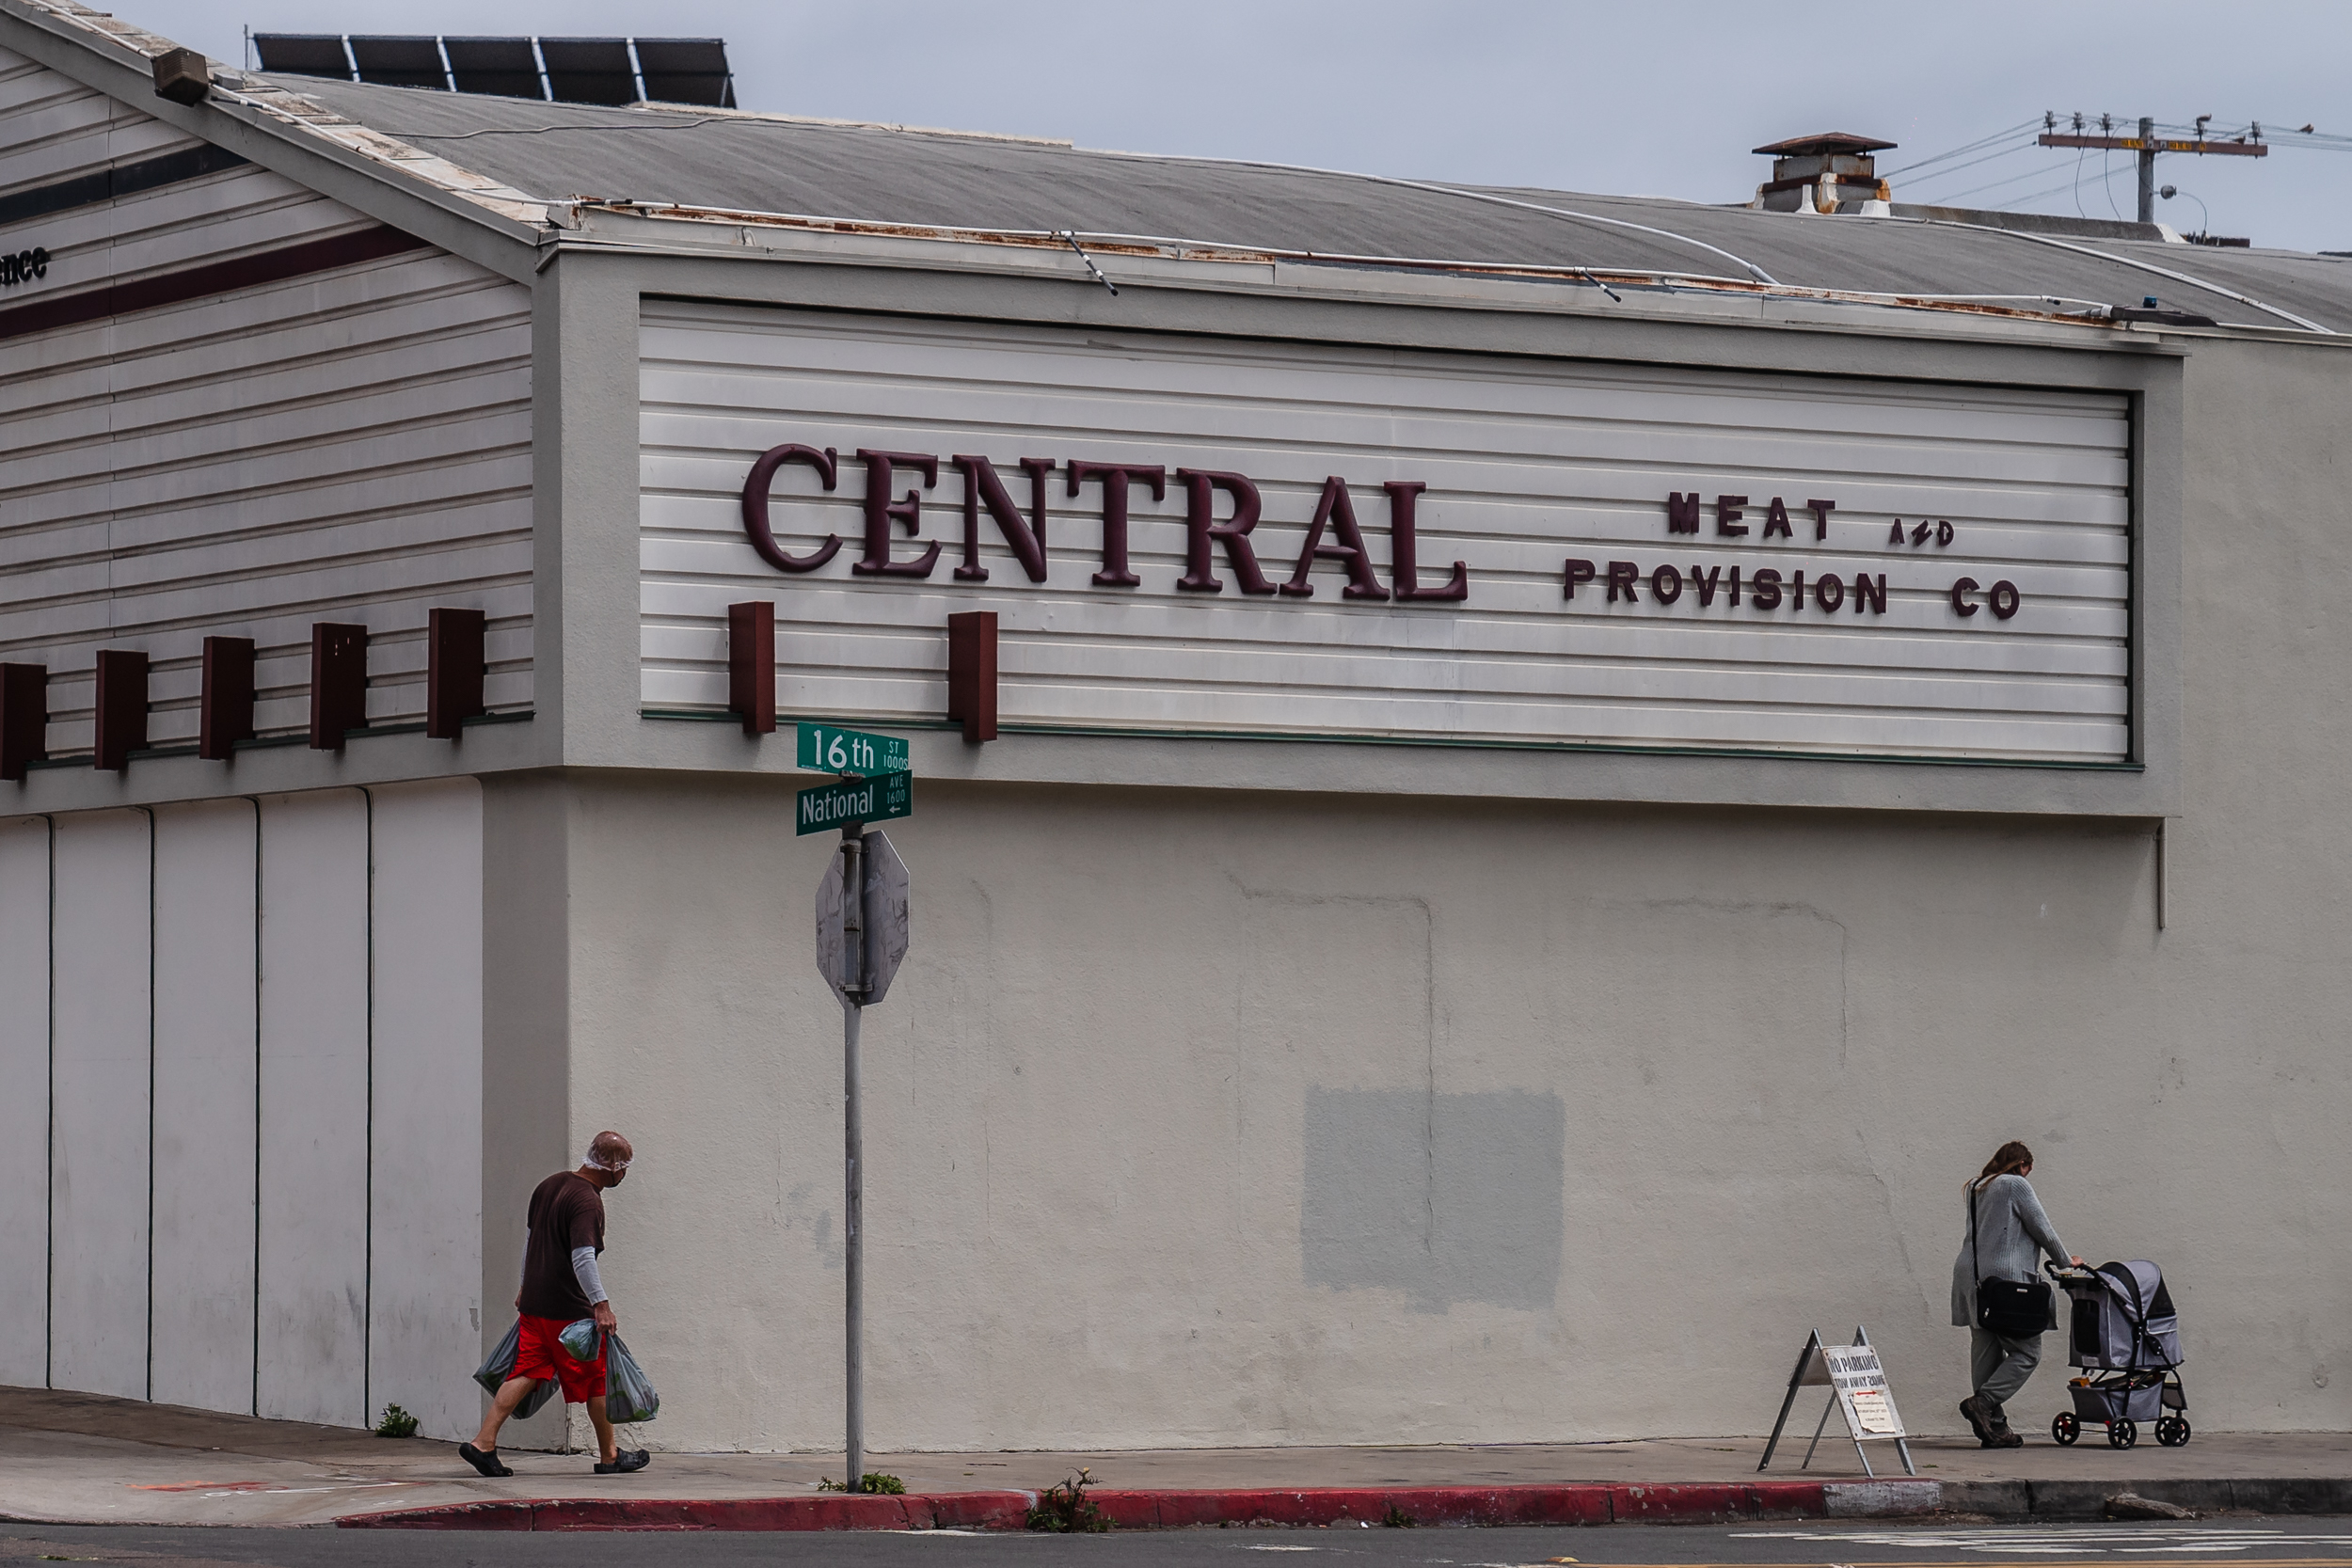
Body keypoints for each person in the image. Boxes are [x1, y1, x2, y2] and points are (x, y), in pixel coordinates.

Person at [460, 1131, 650, 1477]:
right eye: (624, 1169)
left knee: (527, 1370)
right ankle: (610, 1456)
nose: (624, 1175)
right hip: (569, 1313)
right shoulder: (588, 1201)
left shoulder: (549, 1185)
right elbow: (583, 1258)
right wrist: (601, 1305)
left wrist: (524, 1285)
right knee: (597, 1378)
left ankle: (483, 1443)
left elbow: (530, 1241)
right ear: (611, 1166)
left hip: (536, 1306)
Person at [1951, 1140, 2082, 1448]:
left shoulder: (1976, 1185)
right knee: (2027, 1352)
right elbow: (2043, 1229)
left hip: (1971, 1277)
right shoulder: (2014, 1185)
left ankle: (1995, 1428)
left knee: (1985, 1352)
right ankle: (1983, 1404)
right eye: (2028, 1170)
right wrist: (2066, 1262)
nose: (2027, 1176)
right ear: (2022, 1165)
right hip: (2004, 1280)